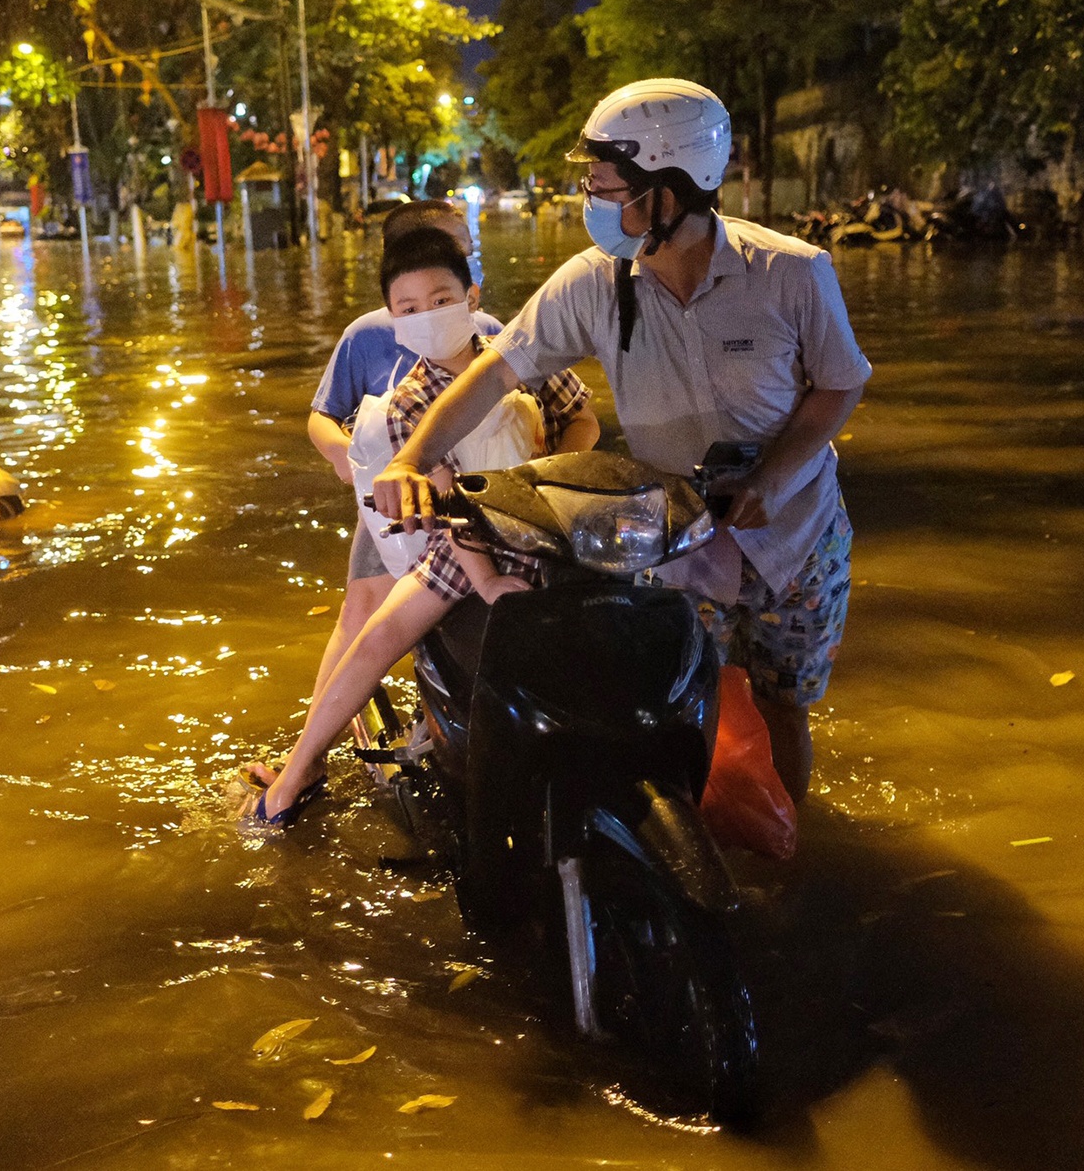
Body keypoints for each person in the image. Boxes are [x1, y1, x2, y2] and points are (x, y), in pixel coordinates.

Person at [374, 79, 872, 802]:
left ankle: (788, 856)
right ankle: (690, 846)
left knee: (785, 707)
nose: (592, 200)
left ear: (670, 190)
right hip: (678, 541)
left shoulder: (792, 273)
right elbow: (493, 373)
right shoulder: (592, 284)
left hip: (797, 536)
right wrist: (411, 456)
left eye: (607, 186)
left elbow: (839, 385)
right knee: (676, 704)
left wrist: (774, 477)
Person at [245, 226, 598, 826]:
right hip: (466, 542)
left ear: (472, 297)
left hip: (548, 523)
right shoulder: (409, 402)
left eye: (441, 300)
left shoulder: (523, 356)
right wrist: (485, 583)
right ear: (392, 318)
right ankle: (301, 765)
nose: (428, 316)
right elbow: (444, 501)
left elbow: (582, 419)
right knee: (378, 636)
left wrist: (555, 476)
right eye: (410, 309)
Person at [301, 199, 503, 749]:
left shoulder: (490, 332)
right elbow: (321, 416)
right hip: (394, 502)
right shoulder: (366, 335)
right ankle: (308, 750)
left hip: (482, 499)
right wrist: (345, 453)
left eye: (458, 254)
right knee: (364, 615)